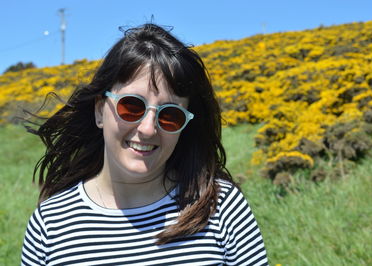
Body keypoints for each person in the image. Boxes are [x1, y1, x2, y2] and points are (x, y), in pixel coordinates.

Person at [21, 23, 268, 265]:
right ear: (99, 111)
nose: (148, 128)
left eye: (170, 116)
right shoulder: (50, 226)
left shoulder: (220, 207)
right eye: (131, 107)